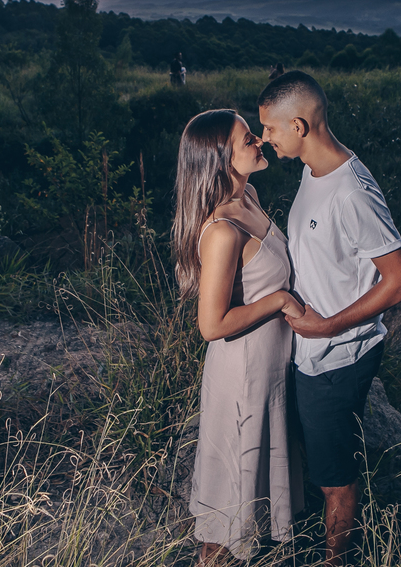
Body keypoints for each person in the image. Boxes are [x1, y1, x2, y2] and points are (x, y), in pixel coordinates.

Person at [257, 71, 401, 567]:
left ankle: (335, 562)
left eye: (270, 129)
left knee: (335, 477)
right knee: (319, 462)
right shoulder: (312, 169)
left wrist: (327, 327)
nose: (264, 139)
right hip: (311, 351)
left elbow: (400, 281)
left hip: (337, 357)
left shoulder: (352, 192)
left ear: (299, 125)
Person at [172, 109, 306, 563]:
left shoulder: (249, 195)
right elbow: (210, 325)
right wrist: (280, 301)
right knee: (230, 511)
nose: (260, 141)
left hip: (268, 371)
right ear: (219, 158)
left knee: (254, 499)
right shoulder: (222, 232)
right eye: (248, 138)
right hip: (242, 377)